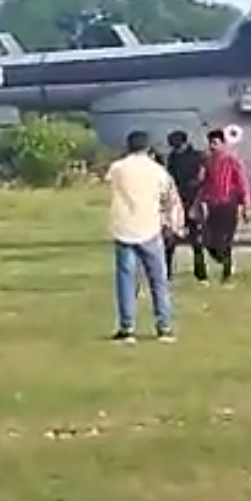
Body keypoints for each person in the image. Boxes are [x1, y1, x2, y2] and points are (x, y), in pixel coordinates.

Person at [106, 130, 183, 343]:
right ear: (148, 147)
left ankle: (127, 327)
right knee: (158, 279)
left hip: (124, 227)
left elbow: (110, 184)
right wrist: (170, 222)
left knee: (126, 280)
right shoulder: (158, 170)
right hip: (150, 227)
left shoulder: (117, 168)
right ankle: (164, 326)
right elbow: (169, 196)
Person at [197, 128, 251, 285]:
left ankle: (226, 274)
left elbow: (243, 183)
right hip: (213, 204)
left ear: (222, 143)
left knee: (225, 239)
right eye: (210, 143)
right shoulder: (209, 161)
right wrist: (197, 203)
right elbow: (205, 184)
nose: (212, 146)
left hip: (229, 204)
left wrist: (247, 205)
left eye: (215, 143)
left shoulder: (232, 160)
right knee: (208, 238)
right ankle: (222, 259)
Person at [162, 130, 209, 283]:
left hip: (192, 200)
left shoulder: (198, 157)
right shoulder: (173, 157)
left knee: (196, 240)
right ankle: (167, 273)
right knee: (170, 240)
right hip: (177, 201)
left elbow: (202, 178)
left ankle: (200, 273)